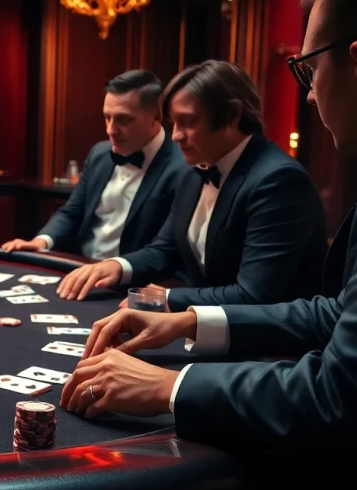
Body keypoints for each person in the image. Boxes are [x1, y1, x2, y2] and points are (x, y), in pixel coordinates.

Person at [58, 0, 357, 453]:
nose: (308, 95)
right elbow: (333, 313)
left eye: (309, 68)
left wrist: (167, 386)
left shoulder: (276, 178)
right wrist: (187, 321)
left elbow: (335, 395)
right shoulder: (195, 172)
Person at [53, 60, 327, 312]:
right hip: (209, 327)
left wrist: (167, 299)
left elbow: (254, 295)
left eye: (188, 122)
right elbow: (165, 248)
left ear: (232, 115)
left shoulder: (278, 181)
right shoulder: (192, 170)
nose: (176, 136)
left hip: (275, 350)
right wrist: (117, 265)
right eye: (173, 123)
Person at [2, 70, 184, 259]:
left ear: (157, 116)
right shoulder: (99, 154)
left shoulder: (182, 167)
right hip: (80, 267)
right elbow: (72, 212)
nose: (110, 129)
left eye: (123, 119)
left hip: (133, 279)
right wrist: (41, 242)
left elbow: (167, 248)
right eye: (107, 117)